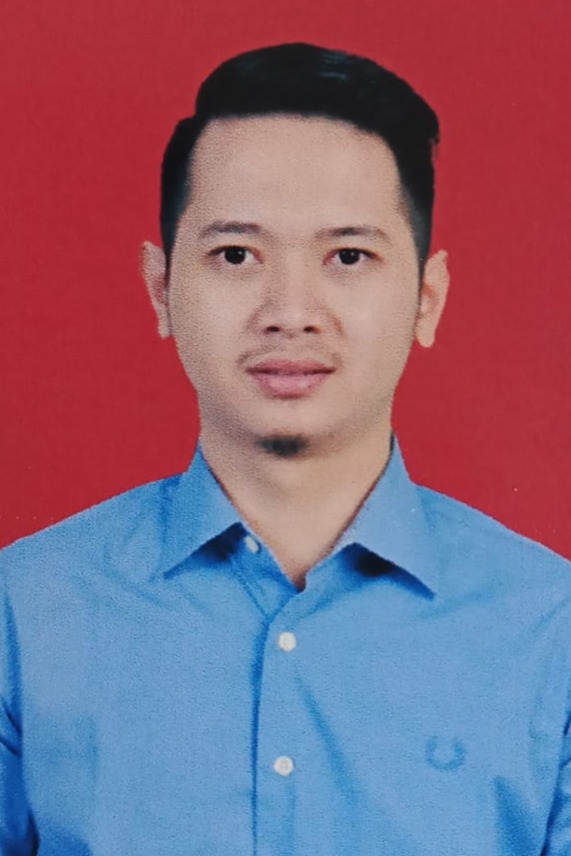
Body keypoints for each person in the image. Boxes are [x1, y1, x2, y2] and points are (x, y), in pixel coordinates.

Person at [1, 42, 570, 856]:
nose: (290, 311)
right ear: (162, 290)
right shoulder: (25, 614)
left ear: (425, 298)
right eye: (236, 255)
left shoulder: (550, 631)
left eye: (348, 256)